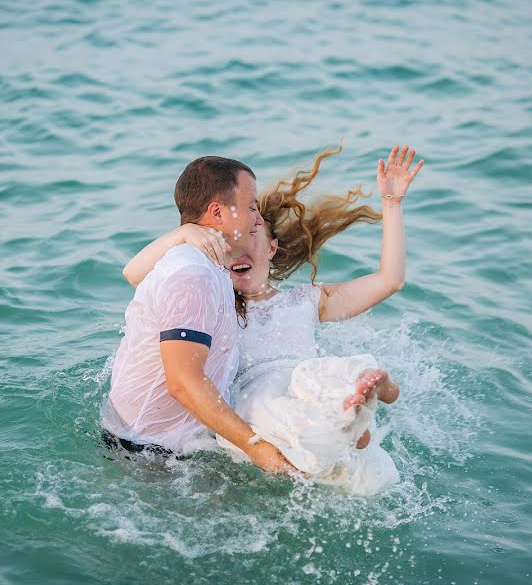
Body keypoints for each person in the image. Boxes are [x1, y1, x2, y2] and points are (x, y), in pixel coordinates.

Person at [123, 145, 423, 494]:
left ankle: (360, 400)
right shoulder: (218, 307)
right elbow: (135, 274)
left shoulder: (306, 301)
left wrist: (391, 203)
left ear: (272, 249)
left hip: (305, 381)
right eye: (240, 234)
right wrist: (186, 233)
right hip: (262, 400)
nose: (244, 244)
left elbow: (390, 280)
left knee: (322, 375)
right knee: (275, 410)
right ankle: (349, 421)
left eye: (255, 235)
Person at [101, 156, 297, 474]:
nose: (259, 219)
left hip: (170, 446)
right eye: (251, 207)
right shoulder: (193, 274)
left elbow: (135, 275)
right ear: (217, 212)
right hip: (147, 455)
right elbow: (182, 381)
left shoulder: (209, 264)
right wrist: (257, 447)